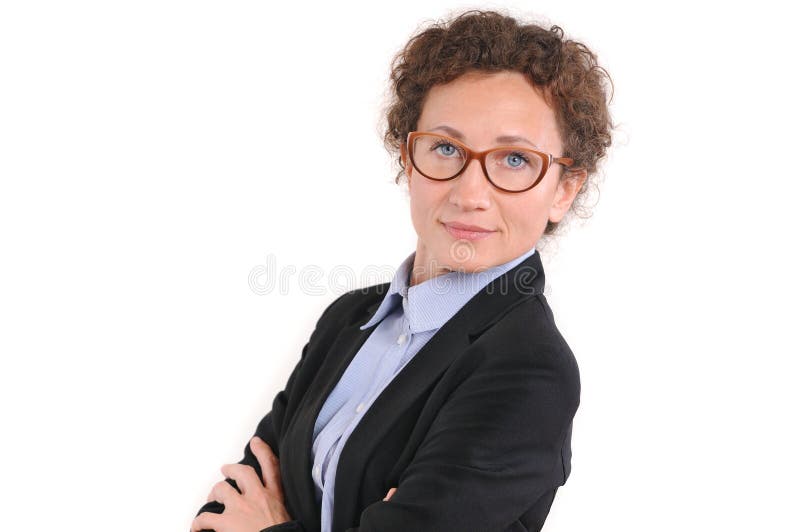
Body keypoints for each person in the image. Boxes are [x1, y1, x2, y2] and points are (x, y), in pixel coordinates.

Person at [191, 8, 613, 532]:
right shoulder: (349, 318)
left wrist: (269, 527)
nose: (471, 194)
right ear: (407, 159)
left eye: (514, 160)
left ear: (564, 190)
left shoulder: (530, 370)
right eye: (445, 148)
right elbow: (224, 510)